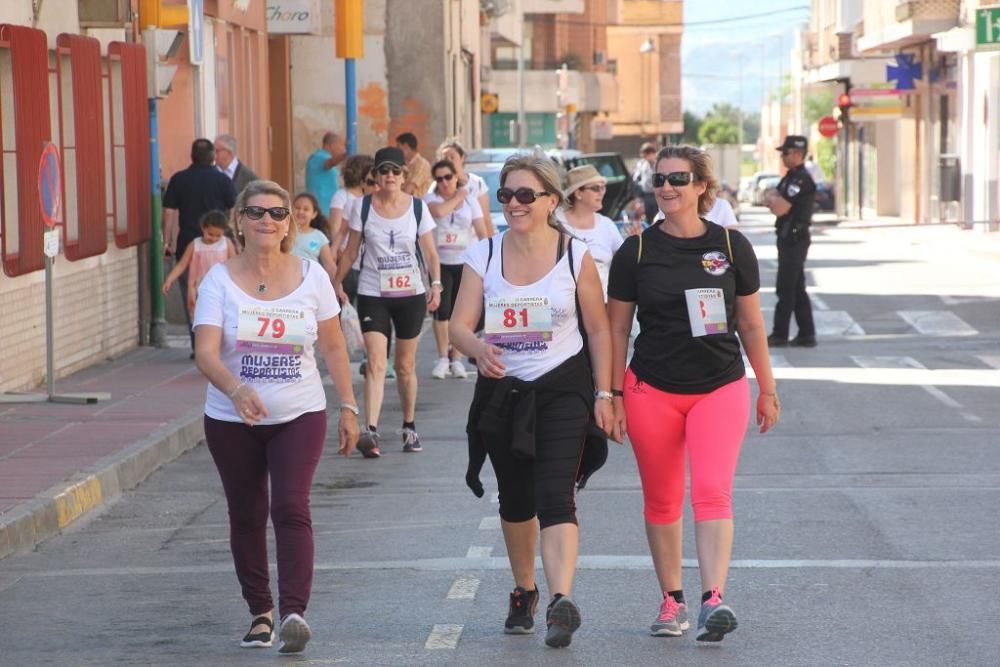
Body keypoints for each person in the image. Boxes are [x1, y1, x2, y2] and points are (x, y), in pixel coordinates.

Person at [606, 145, 779, 643]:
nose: (667, 187)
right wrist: (611, 393)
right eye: (660, 179)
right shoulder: (635, 250)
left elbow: (750, 323)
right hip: (651, 389)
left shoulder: (731, 245)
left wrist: (767, 388)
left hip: (720, 386)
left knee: (712, 492)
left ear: (702, 186)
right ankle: (671, 601)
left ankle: (713, 599)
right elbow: (616, 331)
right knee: (662, 500)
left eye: (679, 179)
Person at [449, 155, 616, 649]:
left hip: (563, 386)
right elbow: (460, 325)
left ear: (551, 200)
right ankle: (525, 590)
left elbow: (599, 327)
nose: (514, 205)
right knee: (516, 500)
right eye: (506, 196)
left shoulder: (574, 254)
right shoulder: (484, 253)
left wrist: (605, 393)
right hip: (505, 391)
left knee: (555, 495)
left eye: (526, 195)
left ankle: (561, 601)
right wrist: (478, 348)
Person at [192, 179, 360, 654]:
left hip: (299, 413)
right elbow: (205, 352)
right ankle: (260, 613)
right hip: (231, 418)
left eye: (278, 213)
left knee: (290, 506)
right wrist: (236, 387)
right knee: (246, 514)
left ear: (290, 223)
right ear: (239, 221)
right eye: (257, 212)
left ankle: (293, 614)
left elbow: (332, 345)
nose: (268, 220)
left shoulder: (312, 276)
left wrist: (349, 407)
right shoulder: (218, 280)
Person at [333, 146, 442, 458]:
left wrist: (436, 285)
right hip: (373, 293)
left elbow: (431, 254)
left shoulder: (418, 208)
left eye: (396, 171)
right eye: (384, 171)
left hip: (410, 294)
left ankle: (409, 426)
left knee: (404, 366)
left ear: (404, 175)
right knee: (377, 361)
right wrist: (335, 282)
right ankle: (371, 430)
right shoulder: (362, 208)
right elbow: (351, 251)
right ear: (375, 176)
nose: (390, 176)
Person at [163, 138, 238, 350]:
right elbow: (234, 209)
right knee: (222, 297)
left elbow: (169, 212)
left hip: (188, 242)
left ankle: (198, 343)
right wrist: (231, 235)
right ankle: (218, 341)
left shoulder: (179, 179)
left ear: (191, 156)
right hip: (220, 247)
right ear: (213, 157)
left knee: (192, 294)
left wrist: (166, 241)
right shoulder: (223, 180)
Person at [424, 158, 488, 379]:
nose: (444, 183)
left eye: (448, 177)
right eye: (439, 179)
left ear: (456, 177)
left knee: (461, 312)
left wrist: (486, 258)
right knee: (441, 311)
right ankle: (443, 357)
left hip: (465, 262)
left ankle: (457, 358)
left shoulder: (471, 201)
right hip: (441, 262)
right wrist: (459, 195)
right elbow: (439, 213)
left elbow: (481, 231)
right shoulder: (430, 199)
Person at [766, 135, 817, 348]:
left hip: (795, 238)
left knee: (786, 286)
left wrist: (772, 199)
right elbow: (771, 196)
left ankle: (780, 334)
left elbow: (779, 206)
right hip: (788, 236)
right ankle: (806, 334)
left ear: (797, 153)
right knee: (796, 287)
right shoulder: (790, 176)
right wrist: (772, 197)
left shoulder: (800, 179)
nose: (782, 157)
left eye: (785, 153)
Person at [558, 164, 624, 298]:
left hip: (603, 304)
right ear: (578, 193)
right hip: (565, 307)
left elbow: (623, 263)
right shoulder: (556, 222)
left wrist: (636, 242)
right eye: (595, 188)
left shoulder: (606, 225)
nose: (602, 192)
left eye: (603, 187)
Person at [162, 210, 236, 315]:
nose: (214, 239)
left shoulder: (226, 243)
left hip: (223, 287)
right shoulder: (195, 244)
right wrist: (169, 279)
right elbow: (182, 264)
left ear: (223, 232)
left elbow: (235, 264)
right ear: (203, 228)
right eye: (210, 234)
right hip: (200, 288)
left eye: (218, 235)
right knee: (202, 315)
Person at [329, 155, 376, 305]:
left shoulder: (369, 198)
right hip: (348, 258)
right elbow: (337, 228)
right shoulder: (342, 196)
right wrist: (337, 249)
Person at [438, 139, 496, 236]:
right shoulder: (437, 185)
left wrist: (491, 247)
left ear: (462, 158)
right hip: (445, 244)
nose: (448, 161)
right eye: (445, 158)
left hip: (472, 243)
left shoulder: (477, 183)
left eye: (452, 157)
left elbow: (486, 218)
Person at [290, 192, 338, 282]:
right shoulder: (284, 233)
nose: (301, 212)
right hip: (285, 282)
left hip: (309, 283)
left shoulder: (319, 236)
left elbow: (329, 265)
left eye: (306, 209)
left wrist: (338, 287)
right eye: (297, 208)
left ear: (314, 214)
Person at [305, 132, 347, 213]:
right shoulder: (318, 157)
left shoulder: (324, 157)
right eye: (342, 145)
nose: (343, 149)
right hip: (322, 209)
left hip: (327, 209)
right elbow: (332, 162)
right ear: (332, 145)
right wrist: (346, 154)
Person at [396, 132, 432, 197]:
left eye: (398, 147)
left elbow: (408, 191)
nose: (397, 151)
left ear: (406, 146)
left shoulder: (422, 164)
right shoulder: (405, 165)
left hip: (418, 204)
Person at [632, 142, 658, 225]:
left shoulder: (660, 164)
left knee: (657, 218)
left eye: (645, 156)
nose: (645, 158)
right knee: (648, 218)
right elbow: (637, 180)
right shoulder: (642, 164)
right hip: (647, 195)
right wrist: (638, 197)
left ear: (651, 154)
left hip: (657, 195)